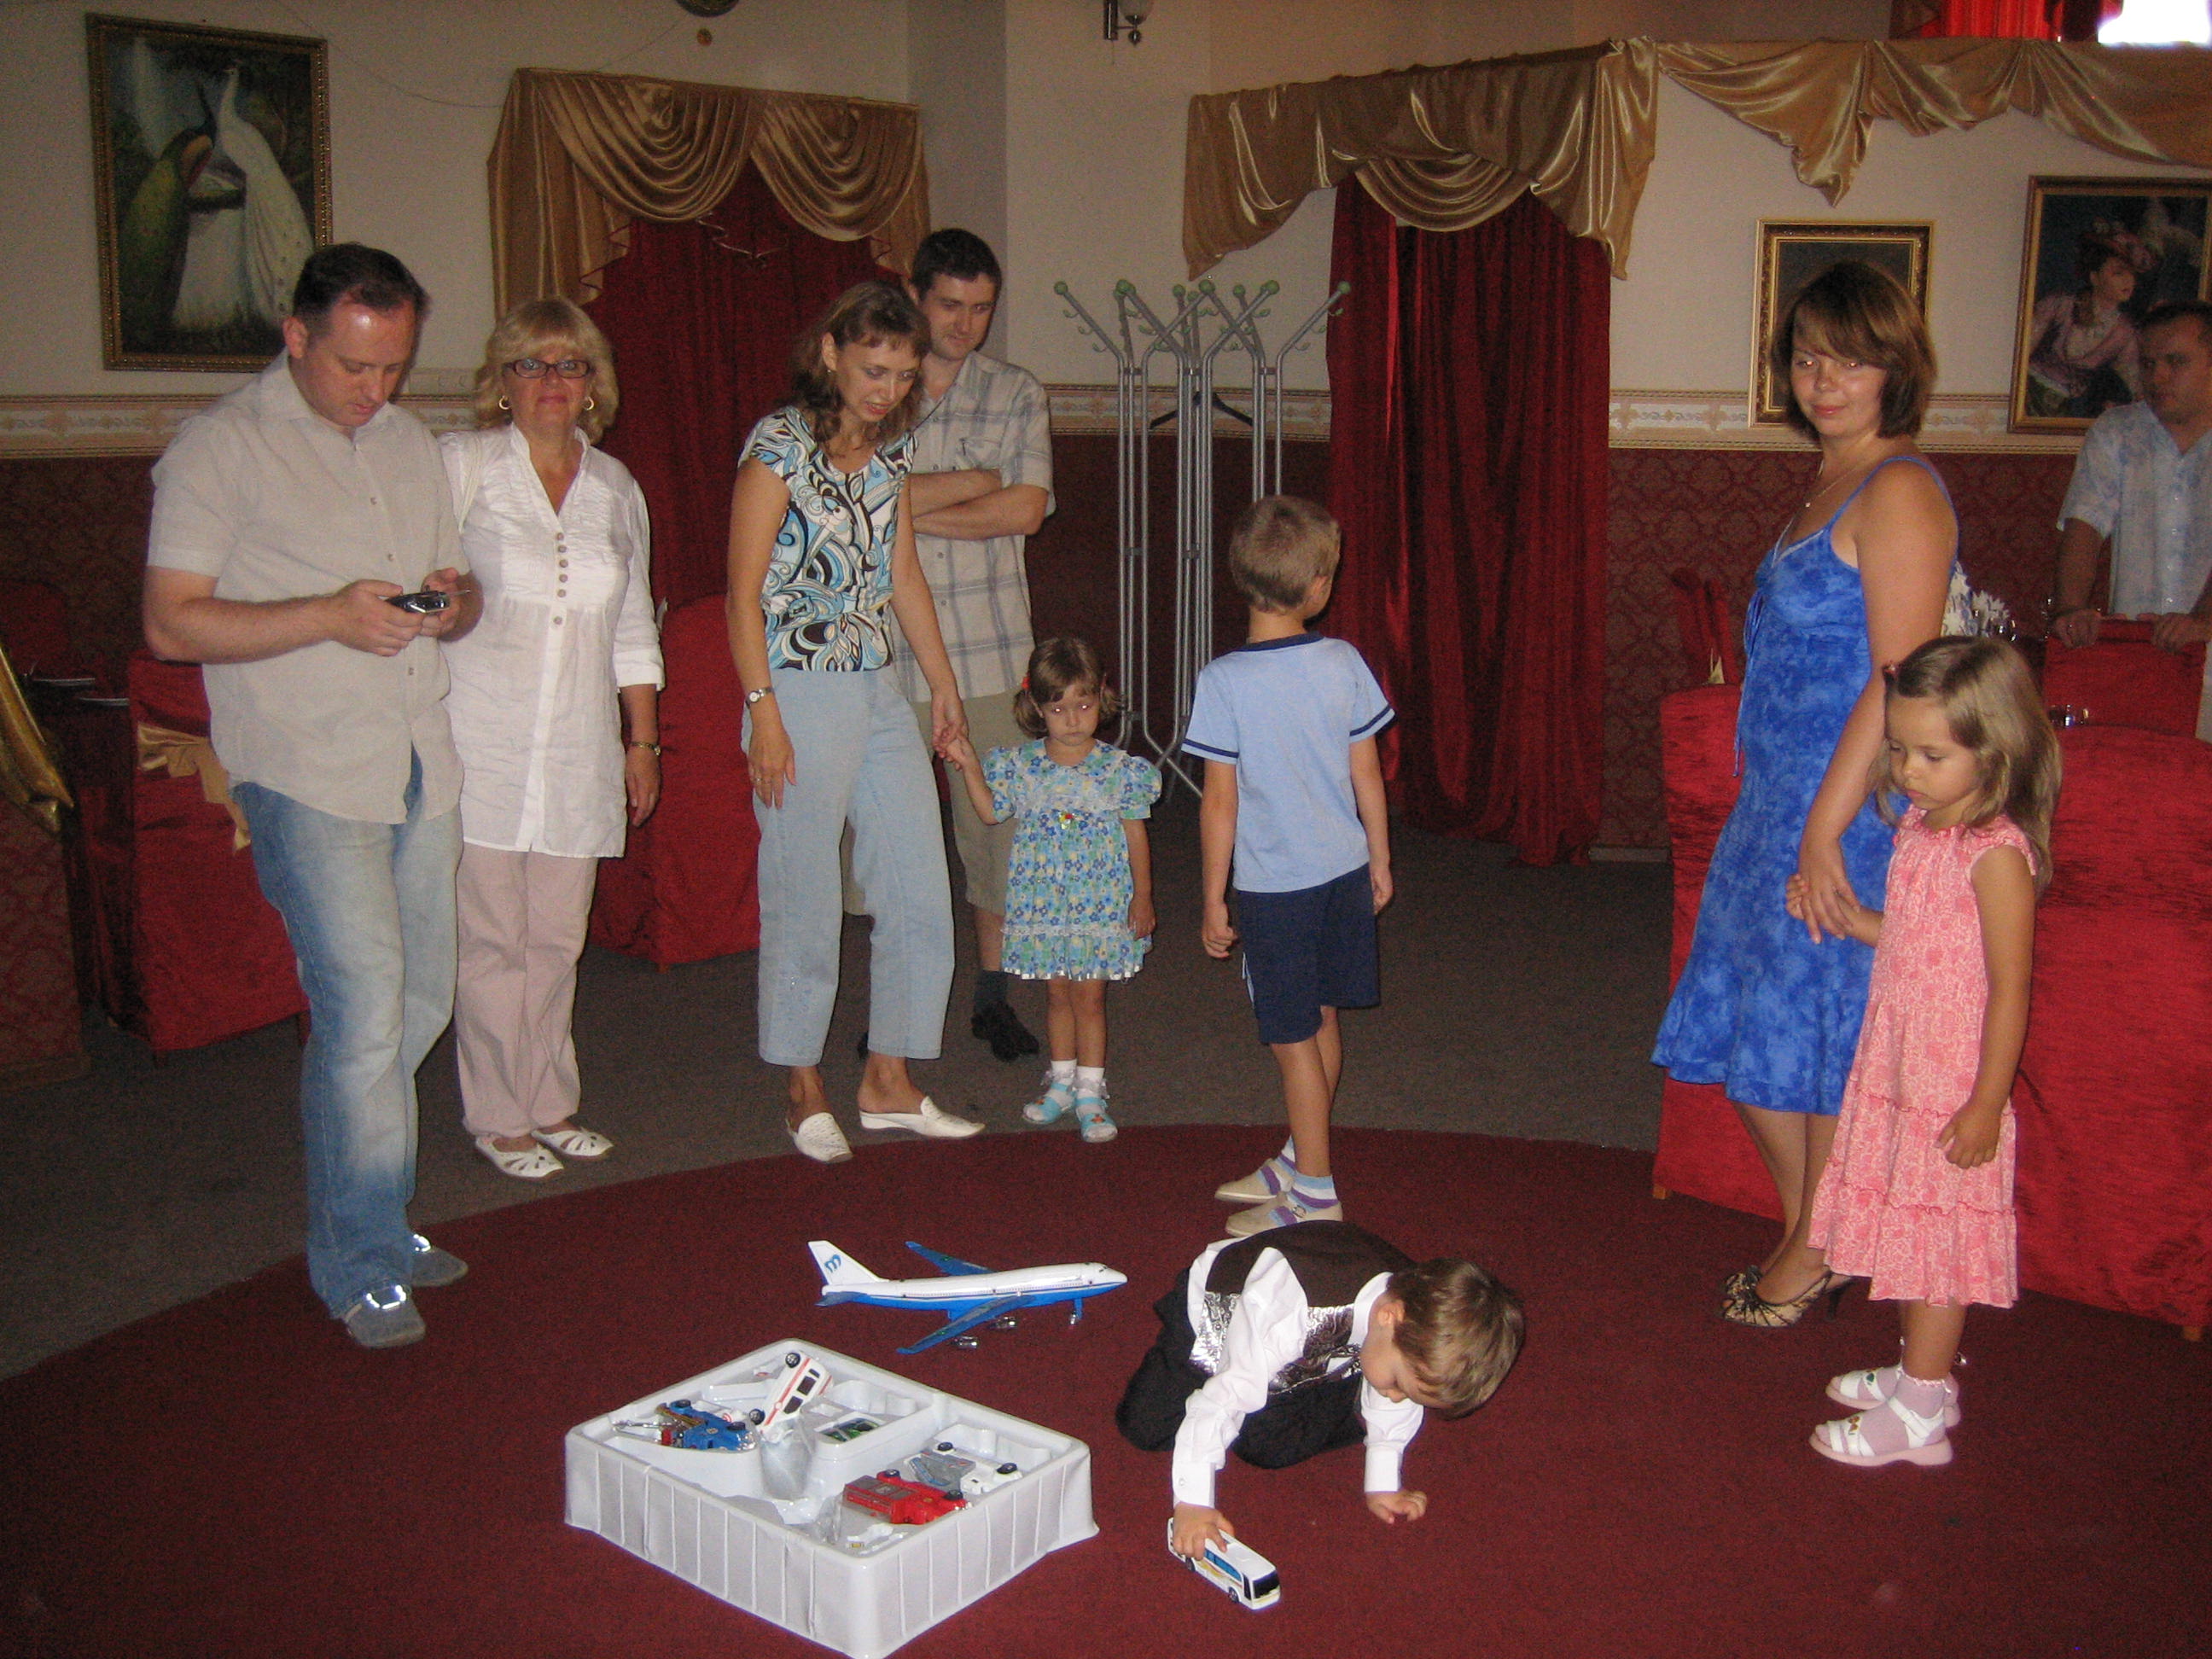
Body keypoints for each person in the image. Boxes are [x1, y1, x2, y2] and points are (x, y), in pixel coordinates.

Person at [142, 244, 480, 1350]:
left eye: (393, 367)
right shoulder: (219, 448)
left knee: (420, 1000)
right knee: (363, 1012)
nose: (376, 390)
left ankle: (372, 1211)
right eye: (353, 366)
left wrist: (454, 603)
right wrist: (330, 615)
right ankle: (358, 1258)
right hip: (306, 767)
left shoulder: (409, 443)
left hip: (417, 757)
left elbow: (457, 588)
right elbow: (172, 621)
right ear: (296, 337)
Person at [1653, 261, 1955, 1328]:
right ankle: (1816, 1228)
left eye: (1852, 361)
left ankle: (1820, 1240)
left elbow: (1900, 676)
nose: (1824, 380)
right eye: (1808, 358)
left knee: (1810, 1036)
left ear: (1897, 370)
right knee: (1755, 1030)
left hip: (1846, 809)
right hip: (1776, 800)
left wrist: (1826, 830)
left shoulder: (1901, 489)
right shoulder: (1832, 480)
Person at [1788, 637, 2058, 1467]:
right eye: (1900, 750)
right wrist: (1845, 918)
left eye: (1932, 755)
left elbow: (2011, 987)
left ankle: (1920, 1416)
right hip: (1901, 1060)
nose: (1907, 770)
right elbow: (1915, 937)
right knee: (1908, 1230)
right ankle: (1920, 1379)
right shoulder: (1924, 824)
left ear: (1997, 751)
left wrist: (1986, 1103)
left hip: (1952, 1080)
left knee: (1937, 1251)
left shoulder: (1996, 855)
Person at [727, 281, 982, 1162]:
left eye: (903, 375)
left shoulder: (891, 453)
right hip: (794, 688)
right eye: (874, 369)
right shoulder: (778, 446)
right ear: (831, 352)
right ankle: (802, 1086)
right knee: (803, 893)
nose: (887, 389)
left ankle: (889, 1080)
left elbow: (902, 575)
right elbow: (741, 594)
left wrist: (942, 687)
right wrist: (762, 713)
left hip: (875, 686)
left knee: (918, 883)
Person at [439, 299, 663, 1180]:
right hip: (480, 743)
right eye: (530, 365)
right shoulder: (462, 467)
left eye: (570, 364)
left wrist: (642, 742)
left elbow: (633, 625)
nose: (551, 382)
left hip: (578, 748)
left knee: (557, 940)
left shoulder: (617, 488)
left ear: (593, 383)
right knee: (492, 941)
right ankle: (498, 1116)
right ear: (502, 381)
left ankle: (548, 1102)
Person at [1185, 497, 1394, 1238]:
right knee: (1322, 1015)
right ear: (1317, 587)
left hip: (1278, 889)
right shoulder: (1343, 661)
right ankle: (1302, 1158)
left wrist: (1213, 898)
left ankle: (1314, 1192)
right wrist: (1380, 856)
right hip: (1343, 871)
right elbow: (1367, 770)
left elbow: (1219, 802)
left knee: (1291, 1037)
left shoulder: (1223, 680)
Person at [883, 229, 1057, 1062]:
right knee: (891, 844)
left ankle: (993, 1001)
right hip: (888, 655)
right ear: (915, 298)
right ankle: (897, 1012)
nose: (965, 324)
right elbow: (847, 496)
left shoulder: (1016, 391)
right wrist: (973, 488)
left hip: (992, 651)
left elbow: (1026, 510)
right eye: (950, 305)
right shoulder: (878, 385)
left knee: (998, 840)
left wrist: (902, 511)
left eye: (982, 308)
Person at [1115, 1220, 1522, 1562]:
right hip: (1214, 1320)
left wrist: (1383, 1477)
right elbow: (1225, 1397)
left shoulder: (1412, 1321)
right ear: (1389, 1316)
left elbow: (1398, 1390)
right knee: (1145, 1427)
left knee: (1270, 1449)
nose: (1397, 1398)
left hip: (1314, 1355)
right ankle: (1343, 1395)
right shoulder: (1287, 1306)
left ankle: (1341, 1390)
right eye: (1400, 1386)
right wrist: (1193, 1502)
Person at [940, 635, 1161, 1143]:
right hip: (1044, 906)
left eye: (1083, 705)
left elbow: (1135, 834)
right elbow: (991, 812)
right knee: (1057, 995)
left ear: (1100, 698)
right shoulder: (1020, 766)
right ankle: (1061, 1082)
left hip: (1099, 905)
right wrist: (969, 764)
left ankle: (1091, 1090)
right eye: (1058, 708)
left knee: (1090, 999)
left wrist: (1143, 896)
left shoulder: (1119, 771)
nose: (1072, 719)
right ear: (1038, 708)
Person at [2048, 300, 2212, 681]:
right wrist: (2070, 609)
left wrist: (2203, 621)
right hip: (2138, 653)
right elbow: (2084, 526)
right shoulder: (2117, 431)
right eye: (2148, 364)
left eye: (2176, 362)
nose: (2157, 377)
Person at [2023, 232, 2145, 422]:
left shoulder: (2125, 332)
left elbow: (2134, 382)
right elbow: (2022, 352)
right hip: (2027, 396)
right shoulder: (2060, 305)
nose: (2128, 281)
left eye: (2132, 274)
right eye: (2118, 273)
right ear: (2094, 277)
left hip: (2064, 410)